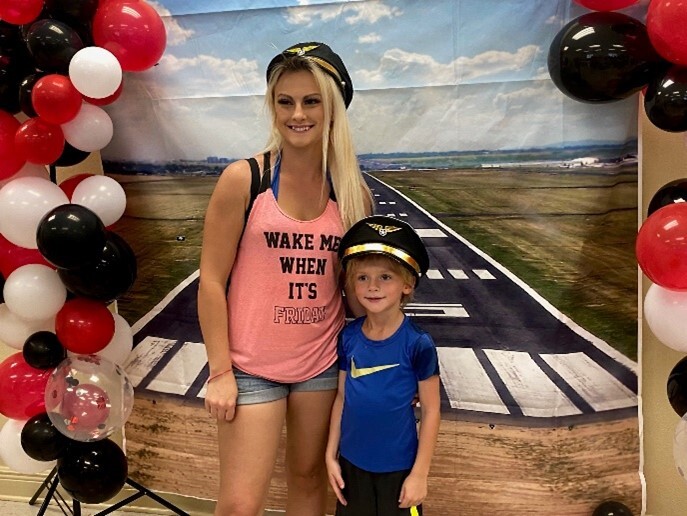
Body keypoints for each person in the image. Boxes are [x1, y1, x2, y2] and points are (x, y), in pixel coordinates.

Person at [197, 41, 373, 516]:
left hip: (320, 365)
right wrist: (219, 372)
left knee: (310, 482)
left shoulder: (352, 194)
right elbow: (211, 281)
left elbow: (359, 296)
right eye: (285, 101)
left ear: (332, 108)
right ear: (272, 107)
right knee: (239, 503)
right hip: (250, 368)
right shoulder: (244, 180)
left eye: (311, 101)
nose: (298, 114)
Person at [326, 215, 441, 516]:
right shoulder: (349, 337)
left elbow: (431, 410)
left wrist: (419, 474)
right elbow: (341, 398)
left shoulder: (418, 344)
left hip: (399, 471)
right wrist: (330, 454)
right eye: (363, 277)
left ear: (408, 284)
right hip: (351, 465)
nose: (372, 286)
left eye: (385, 277)